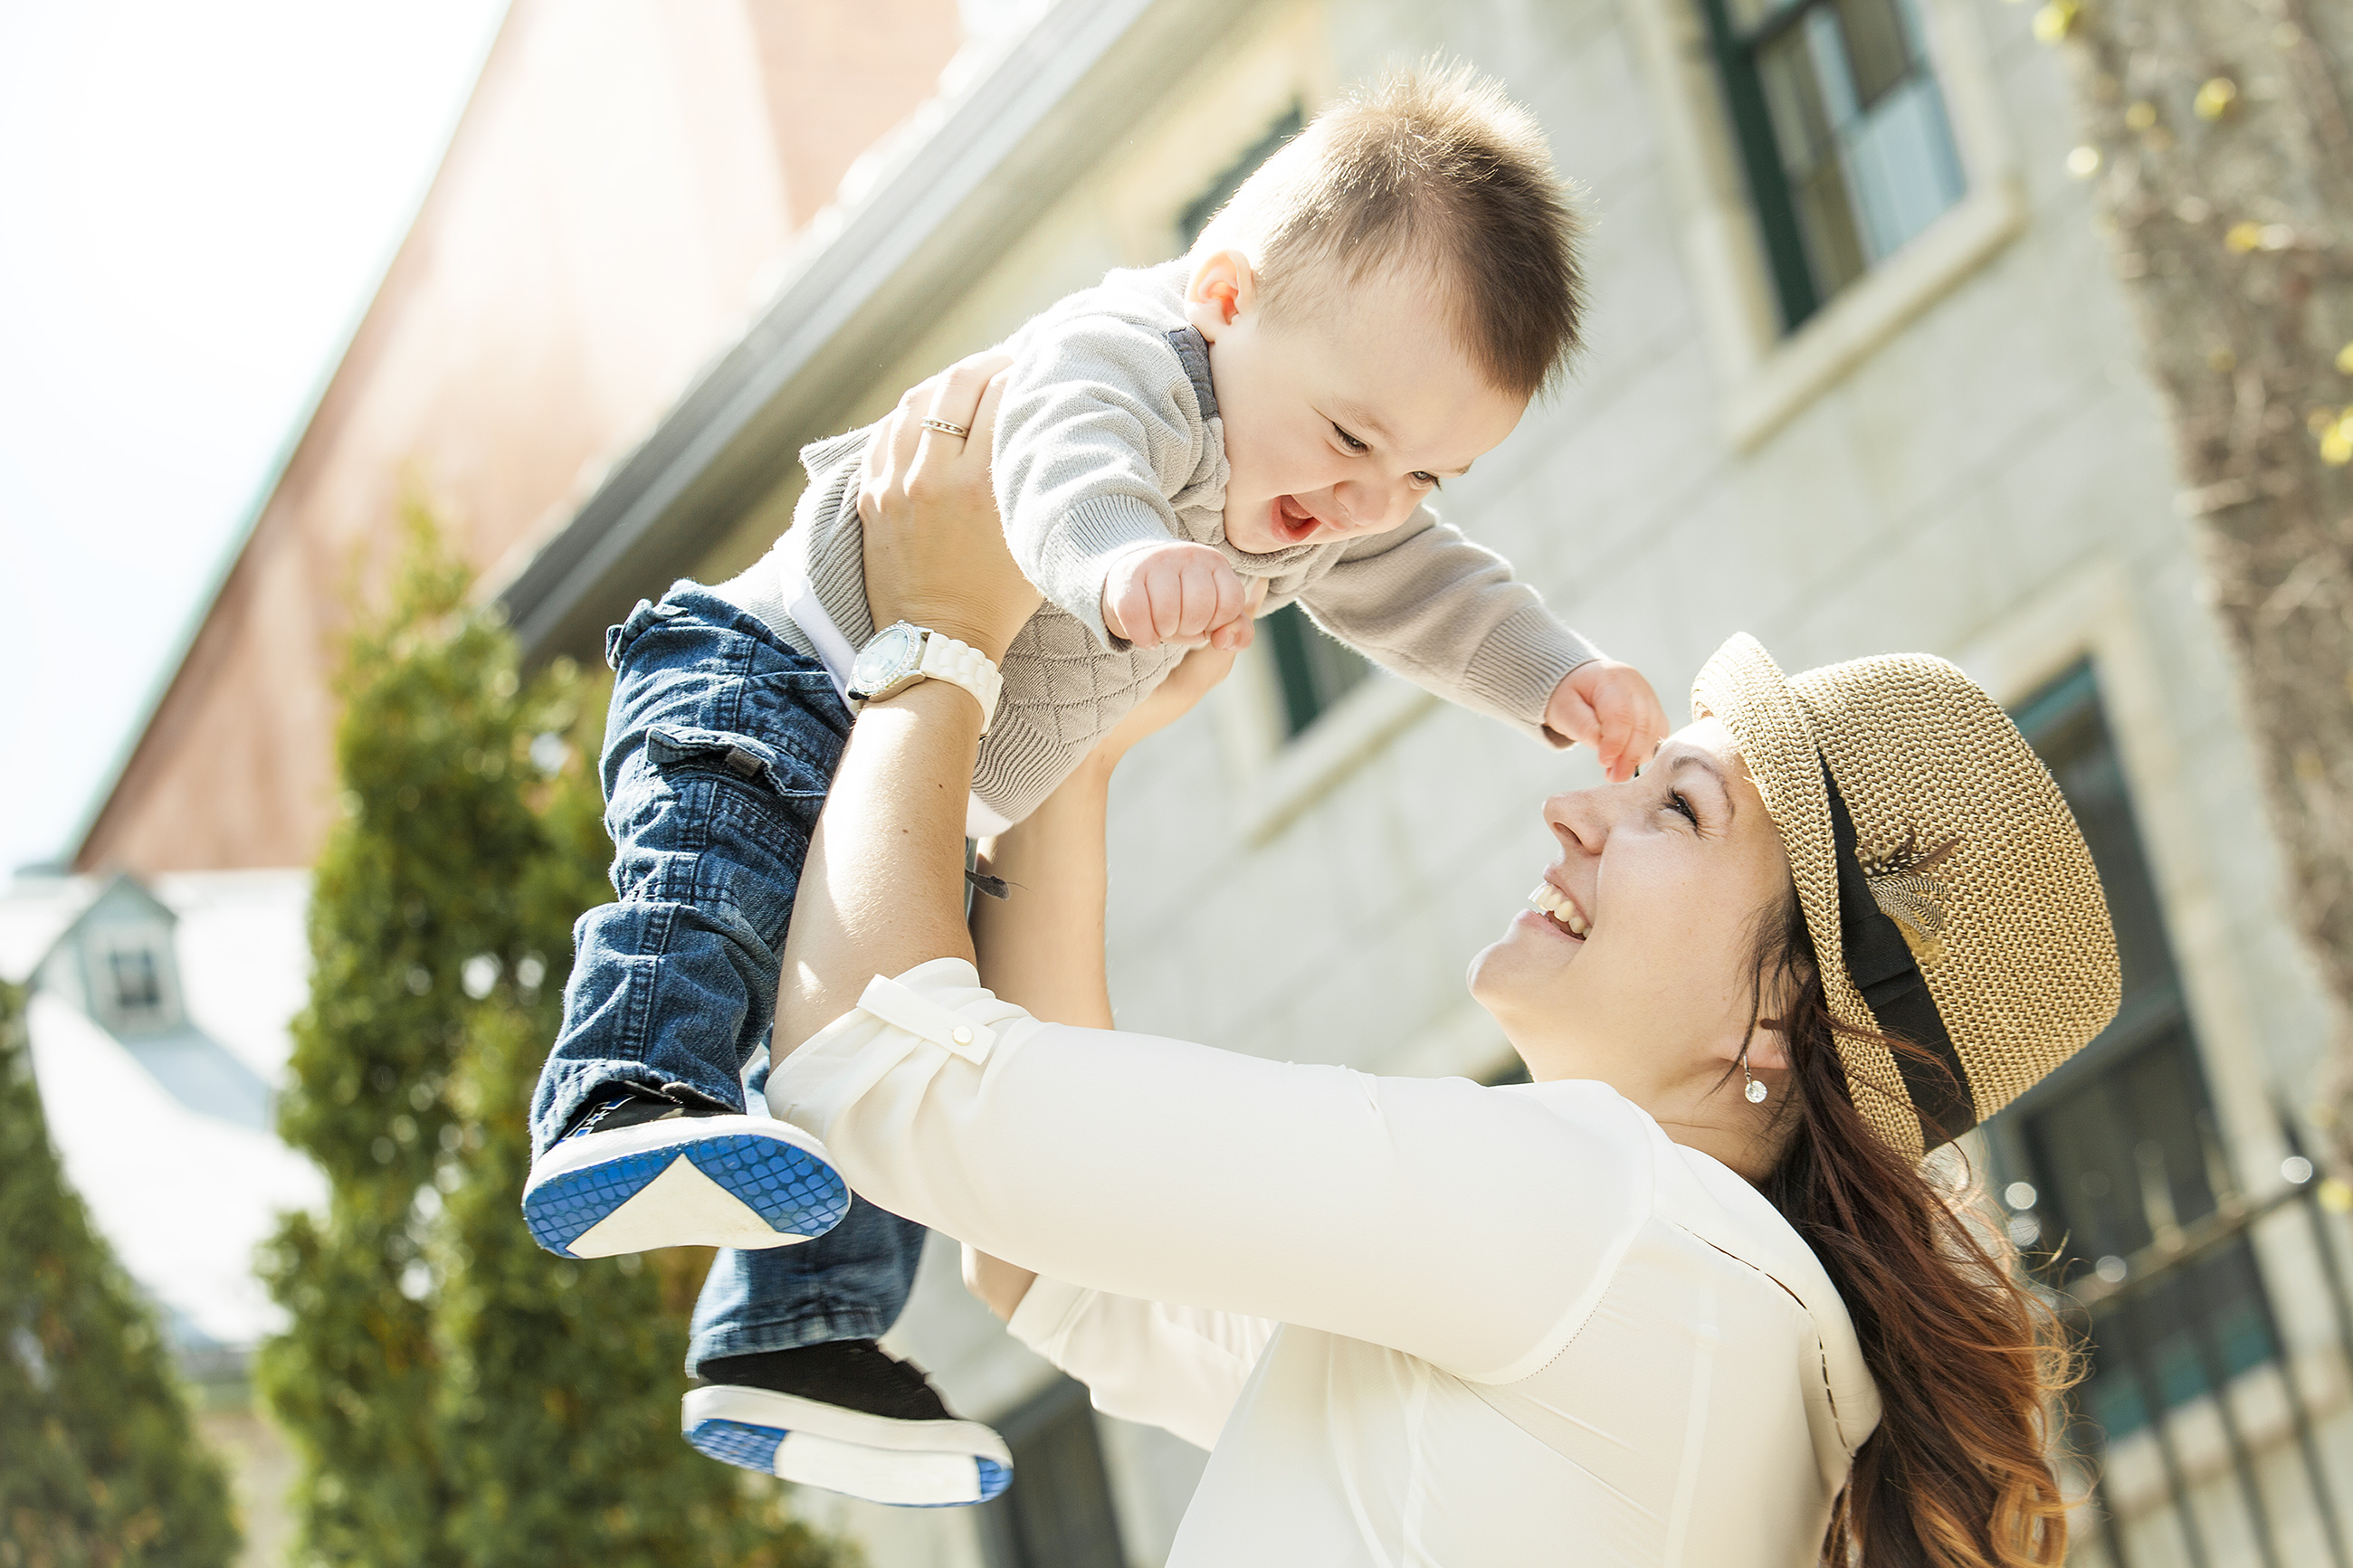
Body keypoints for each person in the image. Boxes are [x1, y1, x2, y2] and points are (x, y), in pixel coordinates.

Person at [725, 360, 2122, 1564]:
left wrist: (938, 636)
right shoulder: (1721, 1335)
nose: (1578, 804)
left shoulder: (1604, 1217)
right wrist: (1073, 746)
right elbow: (1068, 1272)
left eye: (1679, 809)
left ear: (1784, 1020)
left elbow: (879, 1073)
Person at [519, 64, 1672, 1503]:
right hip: (772, 675)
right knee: (716, 884)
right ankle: (623, 1091)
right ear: (1230, 297)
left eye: (1423, 475)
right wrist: (1123, 563)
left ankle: (792, 1336)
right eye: (1354, 442)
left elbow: (1439, 590)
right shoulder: (1130, 355)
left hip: (921, 772)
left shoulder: (1324, 495)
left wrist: (1555, 674)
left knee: (884, 1040)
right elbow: (1062, 463)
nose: (1367, 504)